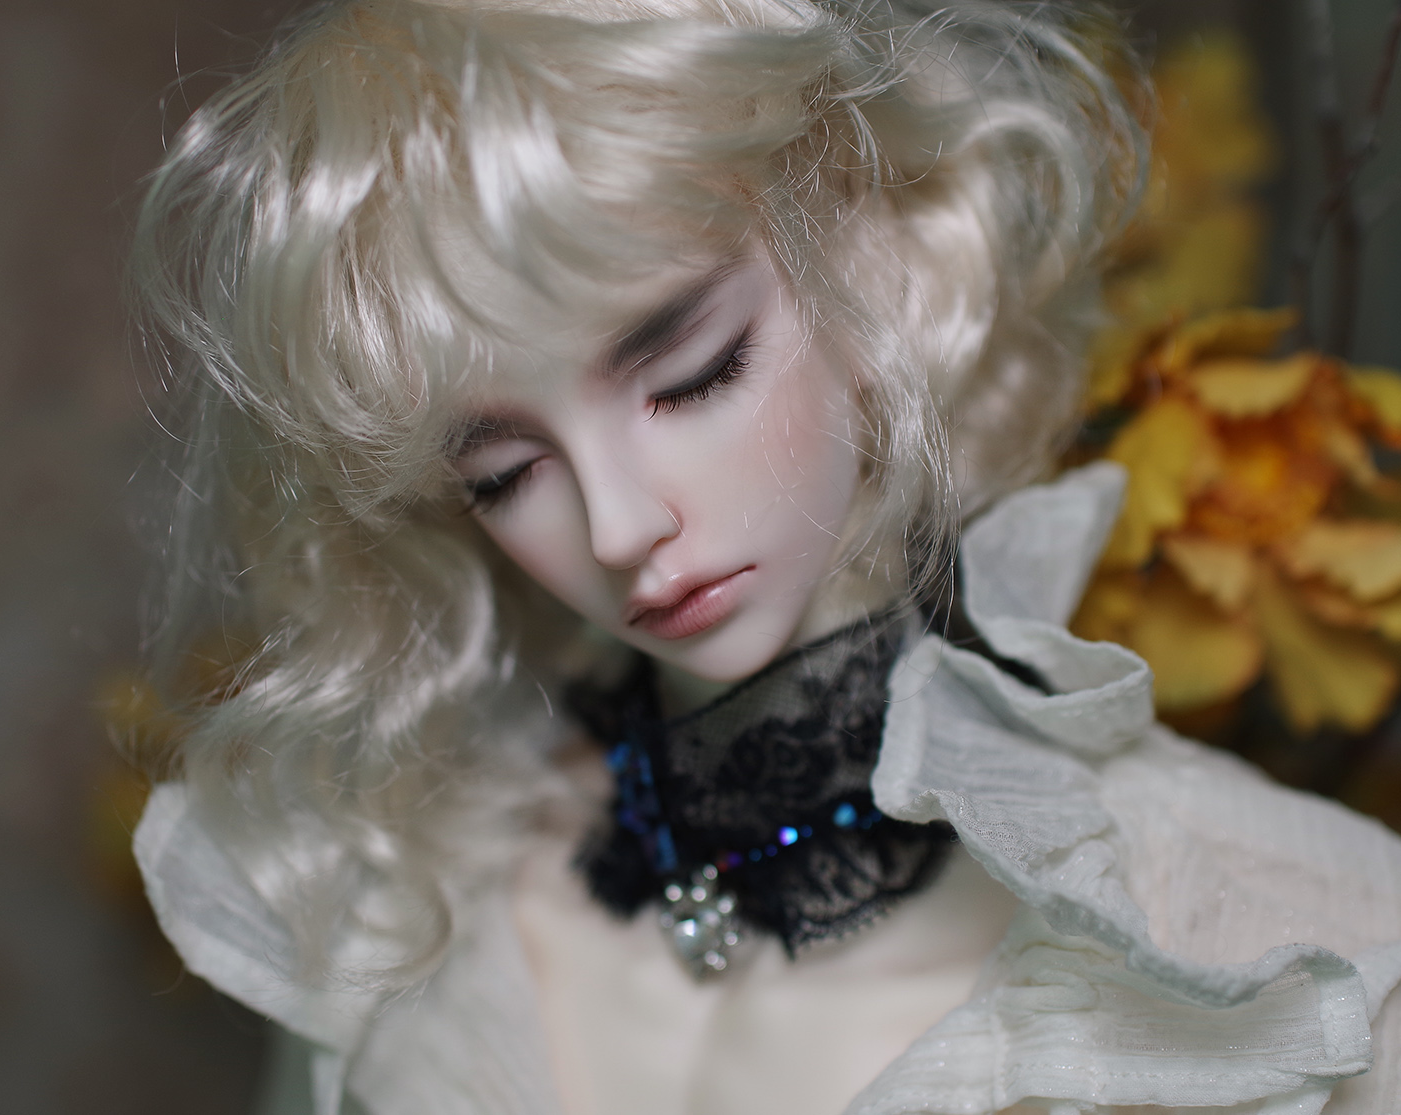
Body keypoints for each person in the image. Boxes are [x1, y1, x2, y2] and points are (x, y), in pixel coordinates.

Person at [128, 0, 1401, 1111]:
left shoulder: (1289, 937)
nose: (618, 528)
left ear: (872, 249)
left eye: (694, 371)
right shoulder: (389, 901)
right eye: (504, 473)